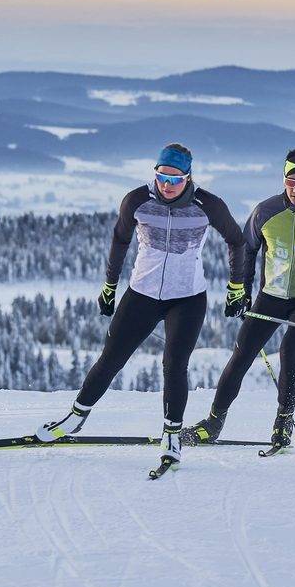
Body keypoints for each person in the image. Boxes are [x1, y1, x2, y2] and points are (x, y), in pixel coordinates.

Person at [37, 142, 245, 479]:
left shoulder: (209, 206)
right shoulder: (137, 200)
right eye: (162, 177)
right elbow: (120, 239)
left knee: (174, 365)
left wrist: (237, 287)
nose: (167, 185)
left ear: (189, 177)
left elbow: (237, 241)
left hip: (187, 298)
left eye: (175, 180)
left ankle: (172, 437)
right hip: (142, 293)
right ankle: (73, 420)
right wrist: (109, 286)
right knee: (111, 358)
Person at [187, 146, 295, 453]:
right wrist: (241, 291)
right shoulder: (265, 211)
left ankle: (283, 421)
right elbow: (247, 250)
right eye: (290, 181)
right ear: (283, 180)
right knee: (241, 355)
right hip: (271, 297)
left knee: (289, 350)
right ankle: (213, 423)